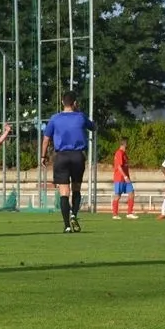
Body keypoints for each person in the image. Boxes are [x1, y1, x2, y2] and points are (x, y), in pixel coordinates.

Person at [40, 90, 95, 233]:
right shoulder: (81, 117)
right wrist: (79, 113)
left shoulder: (55, 118)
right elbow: (94, 127)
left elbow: (46, 139)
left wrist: (43, 156)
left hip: (61, 156)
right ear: (75, 103)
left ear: (62, 103)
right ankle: (73, 214)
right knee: (76, 188)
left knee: (64, 192)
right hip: (77, 156)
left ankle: (67, 226)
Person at [111, 137, 139, 220]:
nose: (128, 145)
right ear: (124, 144)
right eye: (127, 144)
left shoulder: (124, 153)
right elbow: (119, 166)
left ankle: (129, 213)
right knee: (118, 196)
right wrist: (125, 176)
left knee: (131, 193)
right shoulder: (119, 153)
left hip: (126, 179)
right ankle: (115, 214)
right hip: (120, 178)